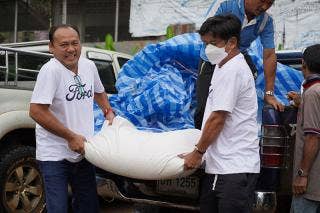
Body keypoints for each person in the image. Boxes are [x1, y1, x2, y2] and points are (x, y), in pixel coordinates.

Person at [29, 24, 115, 213]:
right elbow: (36, 111)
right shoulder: (50, 71)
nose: (71, 49)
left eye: (75, 43)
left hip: (84, 150)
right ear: (51, 47)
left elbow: (99, 92)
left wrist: (107, 111)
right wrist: (70, 136)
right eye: (64, 44)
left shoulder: (89, 66)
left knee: (88, 206)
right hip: (55, 155)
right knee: (58, 208)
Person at [183, 15, 260, 213]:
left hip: (233, 170)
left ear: (232, 42)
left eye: (213, 43)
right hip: (221, 168)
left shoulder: (233, 70)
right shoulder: (221, 66)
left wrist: (197, 152)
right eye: (205, 44)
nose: (209, 49)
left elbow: (217, 118)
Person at [194, 0, 283, 130]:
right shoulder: (224, 4)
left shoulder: (265, 21)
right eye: (262, 1)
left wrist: (269, 93)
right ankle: (200, 138)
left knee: (241, 102)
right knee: (204, 107)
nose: (264, 7)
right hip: (212, 59)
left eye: (269, 3)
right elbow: (207, 34)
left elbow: (269, 55)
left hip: (237, 56)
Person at [289, 44, 320, 213]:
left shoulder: (312, 93)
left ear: (303, 64)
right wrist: (301, 103)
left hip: (311, 185)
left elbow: (313, 137)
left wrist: (302, 174)